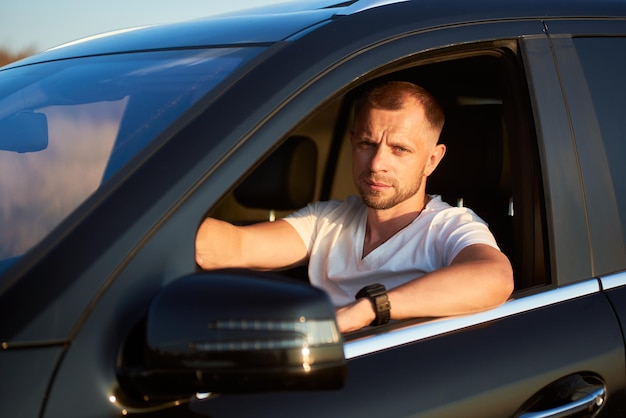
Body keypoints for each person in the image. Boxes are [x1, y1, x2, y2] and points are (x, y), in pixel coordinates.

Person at [195, 80, 514, 333]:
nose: (377, 163)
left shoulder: (449, 226)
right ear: (352, 144)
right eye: (367, 144)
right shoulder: (327, 219)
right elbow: (232, 247)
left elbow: (494, 278)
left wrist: (368, 308)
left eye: (399, 150)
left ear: (432, 160)